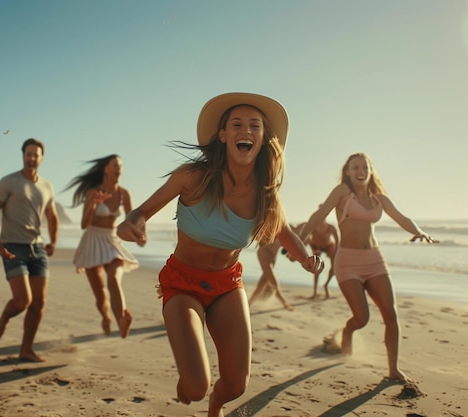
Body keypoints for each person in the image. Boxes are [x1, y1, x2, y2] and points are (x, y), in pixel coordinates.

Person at [117, 93, 323, 417]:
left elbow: (286, 233)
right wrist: (130, 225)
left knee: (237, 385)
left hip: (227, 285)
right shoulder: (193, 177)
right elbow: (140, 212)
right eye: (237, 124)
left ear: (262, 138)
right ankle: (194, 384)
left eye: (254, 125)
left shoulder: (264, 193)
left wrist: (307, 259)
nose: (246, 130)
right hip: (182, 285)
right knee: (195, 386)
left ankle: (215, 407)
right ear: (224, 136)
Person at [299, 152, 438, 382]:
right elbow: (319, 214)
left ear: (370, 170)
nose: (360, 171)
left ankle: (393, 369)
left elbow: (402, 218)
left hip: (374, 260)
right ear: (348, 171)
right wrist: (300, 240)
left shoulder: (378, 198)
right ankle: (347, 331)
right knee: (361, 318)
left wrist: (419, 231)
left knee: (390, 314)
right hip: (348, 262)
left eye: (364, 167)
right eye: (355, 167)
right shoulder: (342, 193)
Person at [0, 138, 59, 363]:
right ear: (23, 155)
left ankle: (26, 349)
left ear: (42, 158)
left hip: (37, 247)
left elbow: (52, 216)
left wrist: (53, 241)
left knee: (39, 303)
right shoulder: (9, 182)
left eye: (36, 154)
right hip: (12, 246)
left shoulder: (46, 186)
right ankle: (4, 318)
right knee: (22, 301)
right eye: (28, 154)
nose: (31, 158)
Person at [65, 154, 138, 338]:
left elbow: (131, 220)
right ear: (106, 169)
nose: (119, 168)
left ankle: (121, 319)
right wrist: (93, 204)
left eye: (121, 165)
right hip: (92, 241)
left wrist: (139, 234)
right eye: (115, 164)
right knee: (101, 297)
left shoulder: (124, 193)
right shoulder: (93, 192)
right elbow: (84, 224)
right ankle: (106, 317)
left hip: (112, 241)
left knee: (114, 279)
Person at [248, 239, 293, 310]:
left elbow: (289, 247)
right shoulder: (273, 231)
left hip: (272, 259)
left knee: (261, 286)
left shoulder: (284, 232)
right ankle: (284, 302)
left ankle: (248, 305)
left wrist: (291, 254)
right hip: (265, 255)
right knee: (274, 283)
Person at [306, 212, 339, 299]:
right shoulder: (313, 227)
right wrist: (314, 249)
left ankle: (326, 285)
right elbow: (308, 239)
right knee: (316, 266)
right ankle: (315, 292)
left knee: (334, 267)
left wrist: (336, 252)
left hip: (329, 246)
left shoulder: (331, 227)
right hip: (316, 247)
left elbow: (337, 240)